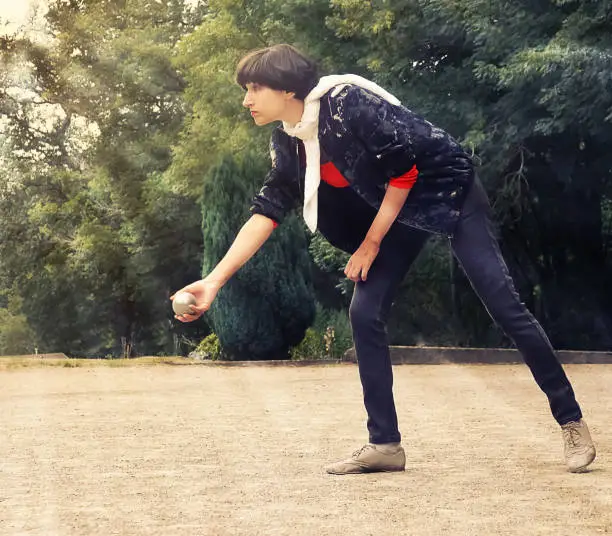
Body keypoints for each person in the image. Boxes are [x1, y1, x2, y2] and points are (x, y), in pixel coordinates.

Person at [172, 44, 596, 475]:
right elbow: (268, 210)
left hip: (446, 192)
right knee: (364, 312)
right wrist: (214, 280)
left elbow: (405, 172)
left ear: (286, 90)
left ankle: (571, 421)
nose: (246, 100)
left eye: (254, 88)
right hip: (395, 212)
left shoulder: (347, 106)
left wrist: (370, 243)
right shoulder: (290, 140)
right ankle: (385, 444)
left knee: (504, 304)